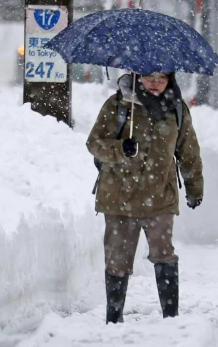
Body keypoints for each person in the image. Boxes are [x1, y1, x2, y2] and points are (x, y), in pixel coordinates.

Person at [86, 71, 204, 324]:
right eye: (149, 77)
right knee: (117, 259)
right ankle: (113, 319)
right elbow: (94, 143)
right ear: (138, 77)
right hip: (119, 196)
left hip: (160, 196)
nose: (155, 84)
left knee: (164, 254)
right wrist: (119, 149)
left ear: (170, 80)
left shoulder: (177, 109)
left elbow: (188, 151)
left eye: (161, 79)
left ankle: (171, 318)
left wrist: (195, 188)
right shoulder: (118, 105)